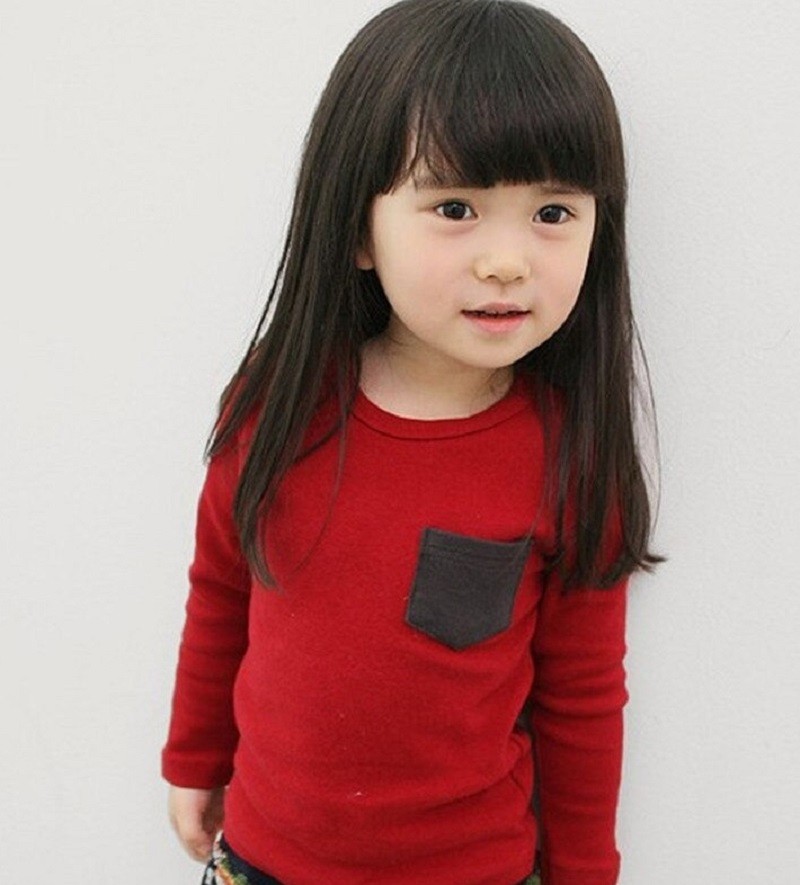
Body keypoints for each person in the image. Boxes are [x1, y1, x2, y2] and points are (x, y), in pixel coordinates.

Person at [162, 0, 662, 882]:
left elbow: (582, 699)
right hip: (262, 860)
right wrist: (195, 755)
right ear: (359, 227)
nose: (507, 260)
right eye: (456, 206)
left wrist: (587, 870)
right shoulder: (277, 405)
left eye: (553, 212)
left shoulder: (572, 460)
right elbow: (222, 584)